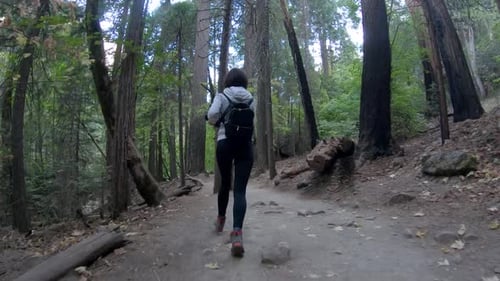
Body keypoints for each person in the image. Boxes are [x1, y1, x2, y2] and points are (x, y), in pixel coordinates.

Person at [206, 68, 255, 257]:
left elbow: (211, 115)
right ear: (244, 82)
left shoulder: (221, 95)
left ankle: (220, 220)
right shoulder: (251, 98)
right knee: (241, 190)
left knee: (225, 184)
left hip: (224, 143)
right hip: (245, 145)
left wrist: (217, 122)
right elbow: (253, 122)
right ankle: (236, 234)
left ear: (228, 81)